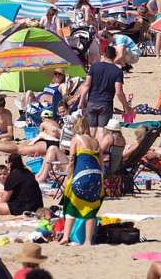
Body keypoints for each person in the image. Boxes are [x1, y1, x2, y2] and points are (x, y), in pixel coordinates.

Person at [58, 116, 102, 246]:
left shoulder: (76, 139)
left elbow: (71, 160)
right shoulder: (95, 141)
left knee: (71, 204)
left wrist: (68, 176)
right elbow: (101, 163)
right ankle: (88, 241)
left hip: (82, 175)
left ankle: (66, 237)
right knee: (91, 207)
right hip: (96, 175)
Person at [79, 46, 132, 138]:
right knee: (102, 130)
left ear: (103, 55)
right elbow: (119, 92)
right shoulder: (117, 71)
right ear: (114, 56)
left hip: (92, 102)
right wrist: (126, 106)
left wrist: (81, 101)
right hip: (105, 104)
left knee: (91, 130)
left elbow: (86, 86)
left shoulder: (94, 67)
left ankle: (90, 150)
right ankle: (99, 151)